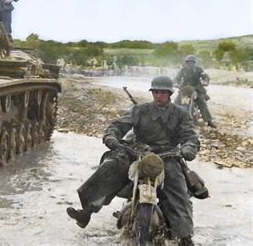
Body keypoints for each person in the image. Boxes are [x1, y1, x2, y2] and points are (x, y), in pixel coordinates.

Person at [66, 76, 199, 245]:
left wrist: (188, 149)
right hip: (136, 153)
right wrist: (111, 137)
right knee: (111, 166)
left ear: (170, 94)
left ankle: (184, 236)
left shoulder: (181, 114)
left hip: (168, 157)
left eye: (163, 92)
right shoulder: (140, 110)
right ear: (152, 93)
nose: (159, 96)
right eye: (156, 92)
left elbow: (190, 136)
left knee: (179, 193)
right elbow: (119, 125)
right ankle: (87, 211)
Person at [174, 55, 216, 128]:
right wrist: (176, 83)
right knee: (176, 102)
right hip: (185, 88)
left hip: (197, 88)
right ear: (186, 63)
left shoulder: (199, 69)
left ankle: (208, 120)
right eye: (189, 62)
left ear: (194, 63)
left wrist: (205, 82)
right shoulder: (183, 70)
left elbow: (206, 76)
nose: (190, 64)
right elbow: (177, 78)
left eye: (192, 62)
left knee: (202, 102)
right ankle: (173, 120)